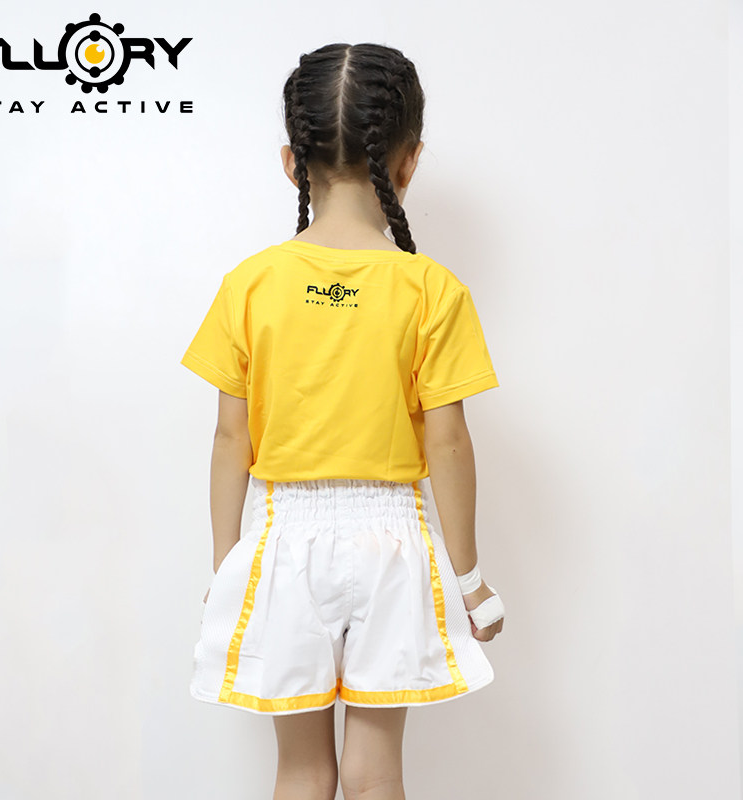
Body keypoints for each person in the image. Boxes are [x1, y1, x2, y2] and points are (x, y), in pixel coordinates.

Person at [180, 42, 506, 800]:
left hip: (280, 537)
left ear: (292, 164)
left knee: (300, 769)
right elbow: (449, 442)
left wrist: (228, 564)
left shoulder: (250, 284)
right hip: (393, 541)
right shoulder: (432, 289)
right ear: (409, 161)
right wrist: (469, 579)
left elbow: (231, 439)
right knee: (375, 771)